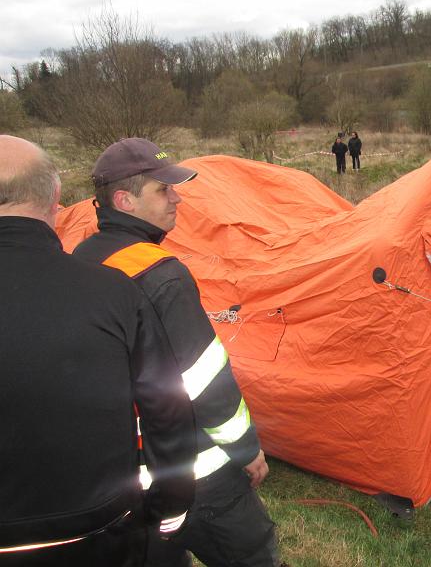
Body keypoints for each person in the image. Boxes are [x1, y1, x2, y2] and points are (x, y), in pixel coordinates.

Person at [73, 138, 282, 567]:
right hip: (194, 476)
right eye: (163, 190)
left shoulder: (80, 259)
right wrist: (246, 450)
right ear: (124, 200)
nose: (177, 198)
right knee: (253, 554)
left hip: (120, 478)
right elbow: (204, 379)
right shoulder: (160, 274)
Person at [0, 135, 196, 566]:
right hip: (99, 534)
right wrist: (168, 506)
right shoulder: (114, 294)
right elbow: (168, 412)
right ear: (55, 197)